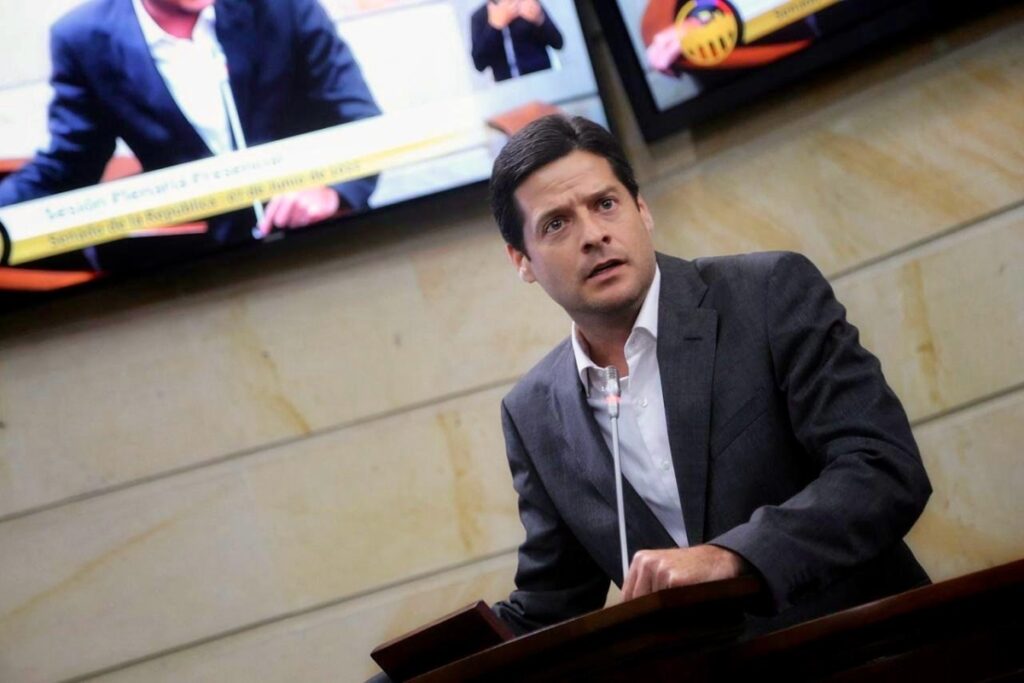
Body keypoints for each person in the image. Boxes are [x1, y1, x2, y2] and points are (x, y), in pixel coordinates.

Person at [488, 114, 932, 636]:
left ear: (641, 209)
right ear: (522, 260)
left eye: (605, 203)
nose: (593, 235)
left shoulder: (767, 294)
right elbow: (549, 604)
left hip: (872, 650)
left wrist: (730, 557)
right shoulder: (534, 412)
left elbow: (882, 469)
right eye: (556, 224)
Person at [0, 0, 380, 270]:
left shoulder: (282, 6)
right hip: (202, 269)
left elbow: (360, 120)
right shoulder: (83, 38)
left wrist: (332, 191)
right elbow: (67, 166)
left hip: (325, 245)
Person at [470, 0, 563, 83]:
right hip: (508, 91)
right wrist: (494, 27)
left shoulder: (529, 4)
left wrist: (540, 20)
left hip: (542, 82)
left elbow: (558, 43)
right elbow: (479, 64)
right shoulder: (480, 16)